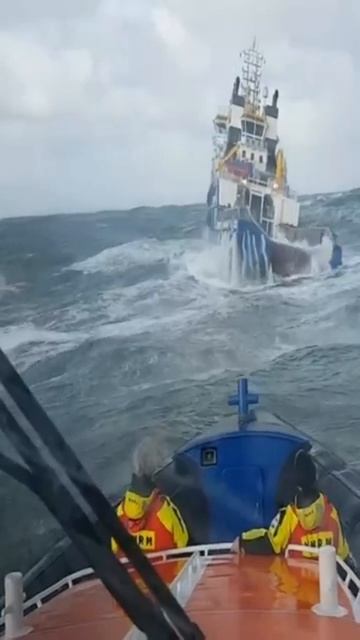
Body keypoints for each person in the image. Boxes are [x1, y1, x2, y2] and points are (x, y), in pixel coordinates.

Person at [232, 450, 353, 565]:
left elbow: (272, 543)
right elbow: (342, 553)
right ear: (315, 477)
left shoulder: (290, 515)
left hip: (296, 584)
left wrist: (243, 542)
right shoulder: (331, 511)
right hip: (325, 583)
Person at [112, 438, 189, 555]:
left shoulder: (120, 512)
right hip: (169, 572)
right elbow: (183, 542)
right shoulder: (164, 509)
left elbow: (114, 548)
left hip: (128, 573)